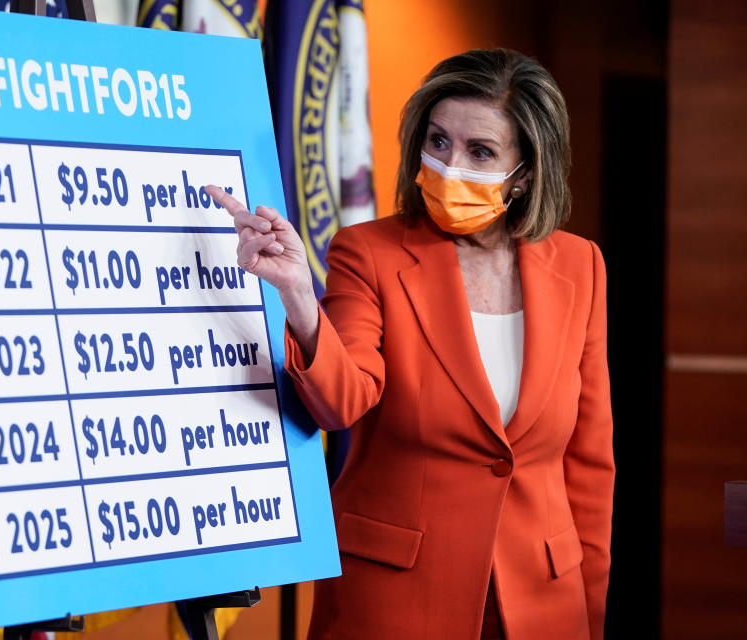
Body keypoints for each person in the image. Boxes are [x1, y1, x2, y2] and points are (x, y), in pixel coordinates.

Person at [207, 48, 614, 640]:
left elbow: (590, 465)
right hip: (398, 600)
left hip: (542, 603)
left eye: (480, 152)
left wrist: (590, 613)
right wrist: (297, 292)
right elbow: (341, 401)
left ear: (524, 172)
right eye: (438, 140)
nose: (450, 166)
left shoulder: (581, 267)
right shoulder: (367, 252)